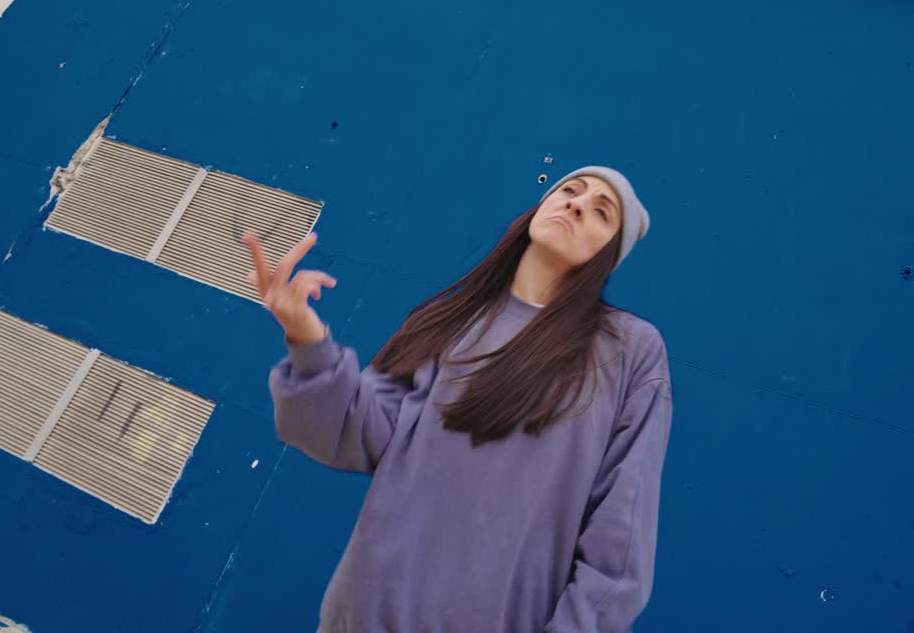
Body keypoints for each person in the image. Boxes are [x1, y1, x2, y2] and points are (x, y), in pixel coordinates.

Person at [242, 166, 673, 632]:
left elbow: (619, 543)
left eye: (601, 212)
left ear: (608, 254)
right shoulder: (450, 321)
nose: (576, 204)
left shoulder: (626, 352)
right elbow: (351, 432)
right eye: (570, 190)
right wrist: (305, 336)